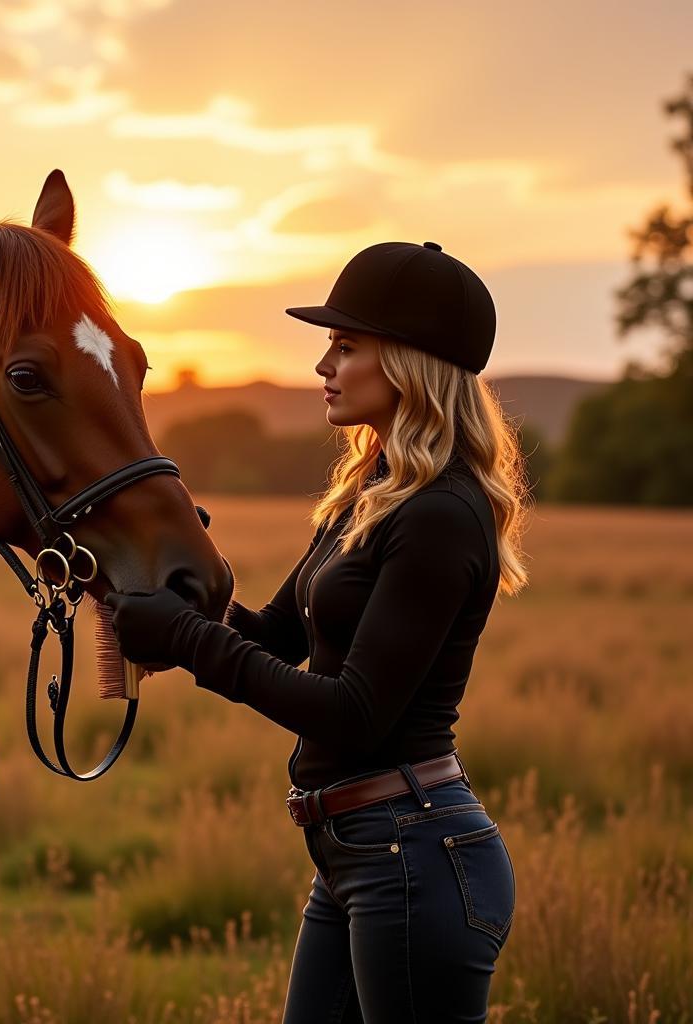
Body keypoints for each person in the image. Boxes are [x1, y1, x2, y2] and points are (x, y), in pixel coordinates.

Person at [104, 240, 531, 1023]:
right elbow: (273, 637)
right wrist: (177, 600)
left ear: (408, 363)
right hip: (353, 852)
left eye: (344, 345)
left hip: (415, 854)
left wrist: (188, 639)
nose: (322, 366)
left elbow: (353, 711)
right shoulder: (369, 494)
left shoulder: (441, 514)